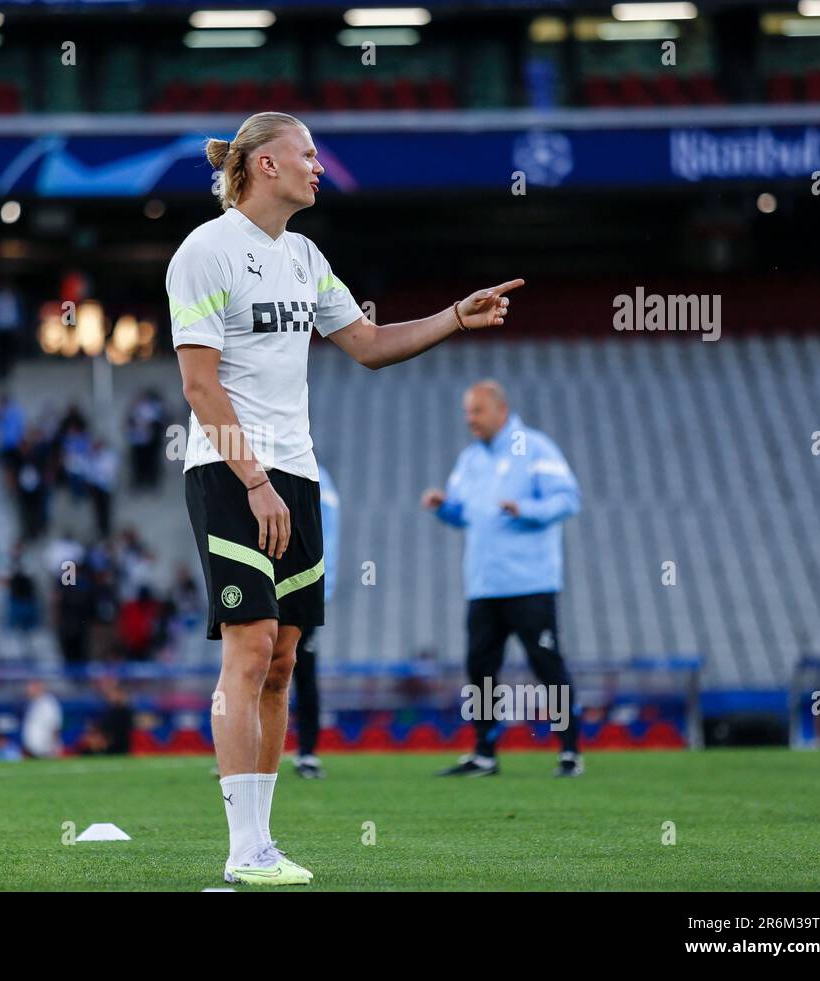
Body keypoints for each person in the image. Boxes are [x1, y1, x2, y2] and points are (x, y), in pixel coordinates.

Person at [167, 111, 523, 886]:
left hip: (299, 473)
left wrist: (455, 317)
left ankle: (261, 843)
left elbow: (366, 346)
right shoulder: (205, 250)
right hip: (231, 468)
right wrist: (254, 480)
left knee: (284, 658)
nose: (319, 167)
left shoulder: (303, 256)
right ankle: (241, 847)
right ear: (264, 165)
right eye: (308, 154)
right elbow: (200, 386)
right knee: (250, 643)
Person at [421, 380, 582, 777]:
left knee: (546, 666)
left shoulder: (536, 448)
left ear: (500, 410)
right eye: (467, 412)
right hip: (484, 584)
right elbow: (463, 515)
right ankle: (485, 753)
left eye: (476, 411)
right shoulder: (471, 459)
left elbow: (567, 498)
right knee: (480, 669)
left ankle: (569, 751)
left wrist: (524, 507)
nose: (470, 419)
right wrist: (443, 507)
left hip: (531, 582)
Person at [292, 465, 338, 779]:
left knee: (302, 671)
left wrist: (321, 584)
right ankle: (245, 754)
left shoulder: (315, 475)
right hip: (263, 583)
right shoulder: (255, 468)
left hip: (302, 585)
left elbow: (328, 535)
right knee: (253, 669)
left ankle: (307, 752)